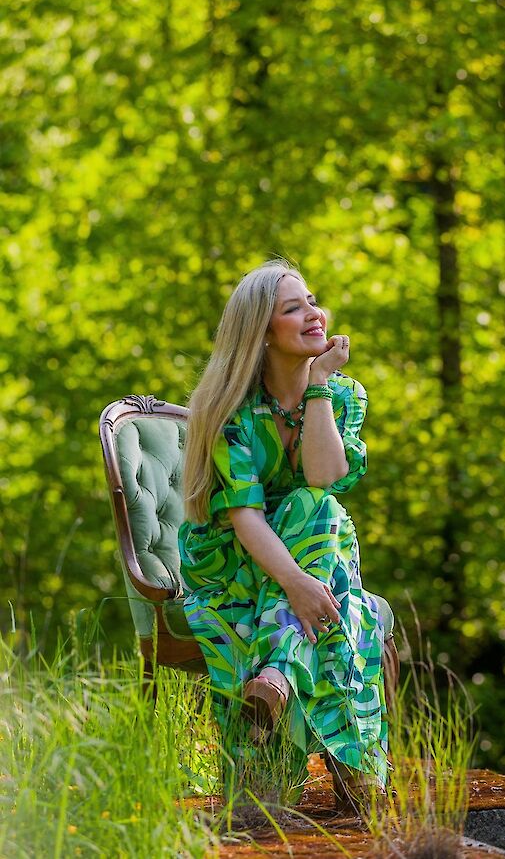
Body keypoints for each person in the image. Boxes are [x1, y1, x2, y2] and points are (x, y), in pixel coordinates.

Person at [178, 259, 387, 809]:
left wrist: (317, 386)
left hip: (314, 548)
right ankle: (358, 774)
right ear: (262, 334)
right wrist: (295, 582)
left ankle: (274, 680)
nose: (314, 314)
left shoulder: (343, 396)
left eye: (312, 301)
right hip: (235, 557)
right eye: (294, 308)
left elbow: (323, 477)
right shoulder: (232, 414)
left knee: (315, 507)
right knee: (337, 583)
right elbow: (246, 517)